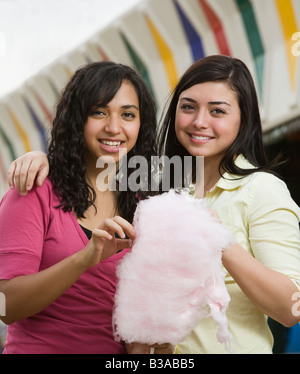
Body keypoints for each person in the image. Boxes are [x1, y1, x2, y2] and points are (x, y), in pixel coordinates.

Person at [7, 55, 300, 354]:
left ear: (244, 118)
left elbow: (292, 309)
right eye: (188, 107)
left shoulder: (260, 190)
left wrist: (220, 241)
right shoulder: (156, 190)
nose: (200, 121)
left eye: (217, 111)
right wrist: (42, 159)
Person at [0, 60, 163, 354]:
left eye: (128, 114)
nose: (114, 127)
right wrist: (84, 258)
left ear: (142, 124)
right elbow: (4, 306)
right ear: (77, 119)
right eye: (99, 112)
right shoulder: (35, 190)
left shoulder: (145, 207)